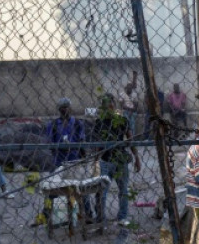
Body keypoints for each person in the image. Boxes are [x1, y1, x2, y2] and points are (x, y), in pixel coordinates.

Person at [93, 93, 141, 226]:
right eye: (106, 104)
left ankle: (122, 217)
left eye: (110, 103)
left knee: (123, 190)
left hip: (120, 159)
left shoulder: (122, 120)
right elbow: (98, 144)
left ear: (113, 104)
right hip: (106, 160)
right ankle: (101, 218)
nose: (109, 106)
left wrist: (137, 157)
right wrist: (95, 161)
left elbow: (130, 140)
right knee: (102, 191)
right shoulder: (99, 122)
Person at [45, 97, 85, 168]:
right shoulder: (53, 124)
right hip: (59, 159)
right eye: (63, 107)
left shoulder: (77, 123)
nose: (66, 109)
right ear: (59, 109)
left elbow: (81, 140)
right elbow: (50, 143)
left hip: (74, 158)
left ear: (70, 108)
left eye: (67, 107)